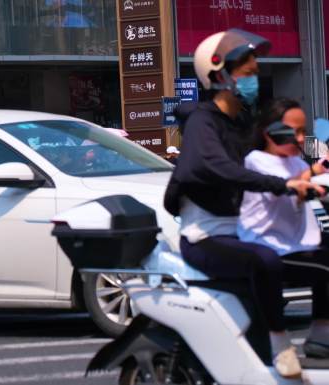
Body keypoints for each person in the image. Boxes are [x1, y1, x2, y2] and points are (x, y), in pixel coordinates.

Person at [163, 29, 322, 378]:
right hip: (206, 237)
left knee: (323, 252)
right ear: (220, 75)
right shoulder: (203, 122)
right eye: (247, 73)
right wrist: (281, 185)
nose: (254, 79)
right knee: (264, 261)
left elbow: (268, 158)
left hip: (246, 231)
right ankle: (280, 345)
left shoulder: (245, 122)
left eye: (255, 72)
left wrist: (309, 173)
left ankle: (321, 340)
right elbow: (211, 167)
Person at [238, 98, 329, 361]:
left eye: (303, 131)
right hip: (268, 247)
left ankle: (321, 335)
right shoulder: (255, 161)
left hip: (298, 244)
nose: (300, 139)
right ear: (270, 131)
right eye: (294, 131)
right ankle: (301, 340)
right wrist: (312, 175)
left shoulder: (297, 163)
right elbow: (285, 187)